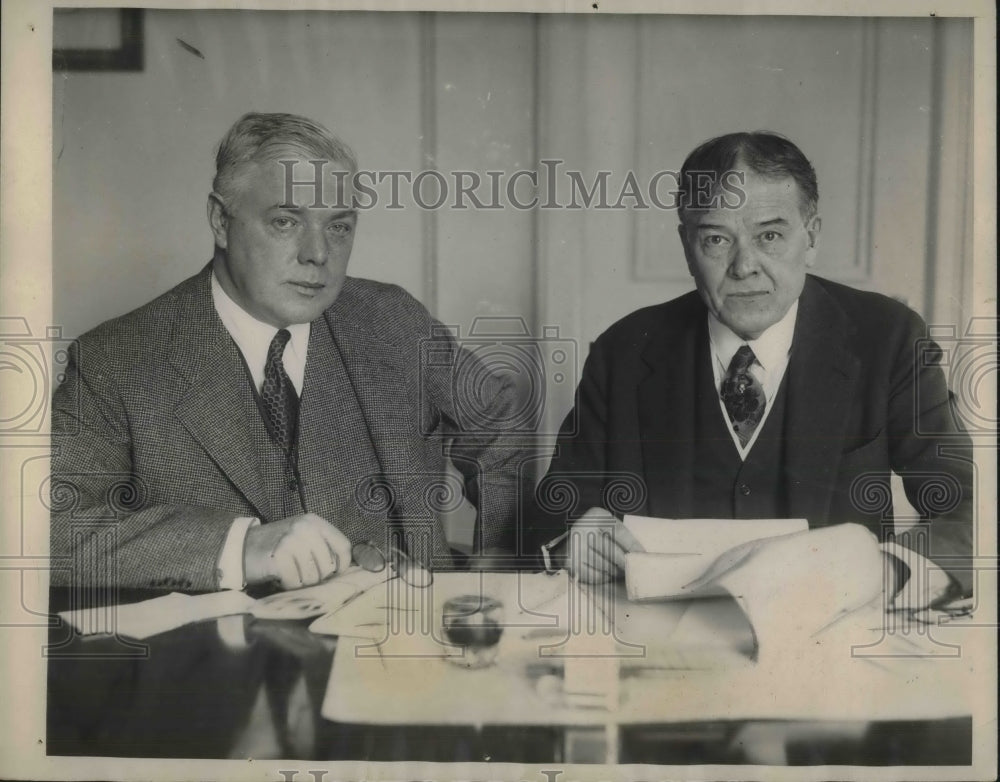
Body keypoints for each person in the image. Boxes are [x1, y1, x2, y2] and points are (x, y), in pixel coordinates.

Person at [50, 112, 523, 592]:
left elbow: (501, 421)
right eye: (285, 221)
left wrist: (502, 563)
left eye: (338, 228)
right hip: (220, 660)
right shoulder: (113, 361)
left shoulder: (392, 320)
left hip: (395, 649)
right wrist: (238, 547)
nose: (317, 253)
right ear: (220, 220)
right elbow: (45, 527)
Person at [528, 131, 974, 604]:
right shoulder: (623, 349)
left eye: (770, 236)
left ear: (812, 237)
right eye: (717, 239)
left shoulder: (888, 338)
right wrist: (570, 537)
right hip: (660, 642)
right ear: (686, 245)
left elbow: (972, 508)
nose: (745, 266)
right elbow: (553, 509)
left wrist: (886, 571)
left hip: (832, 639)